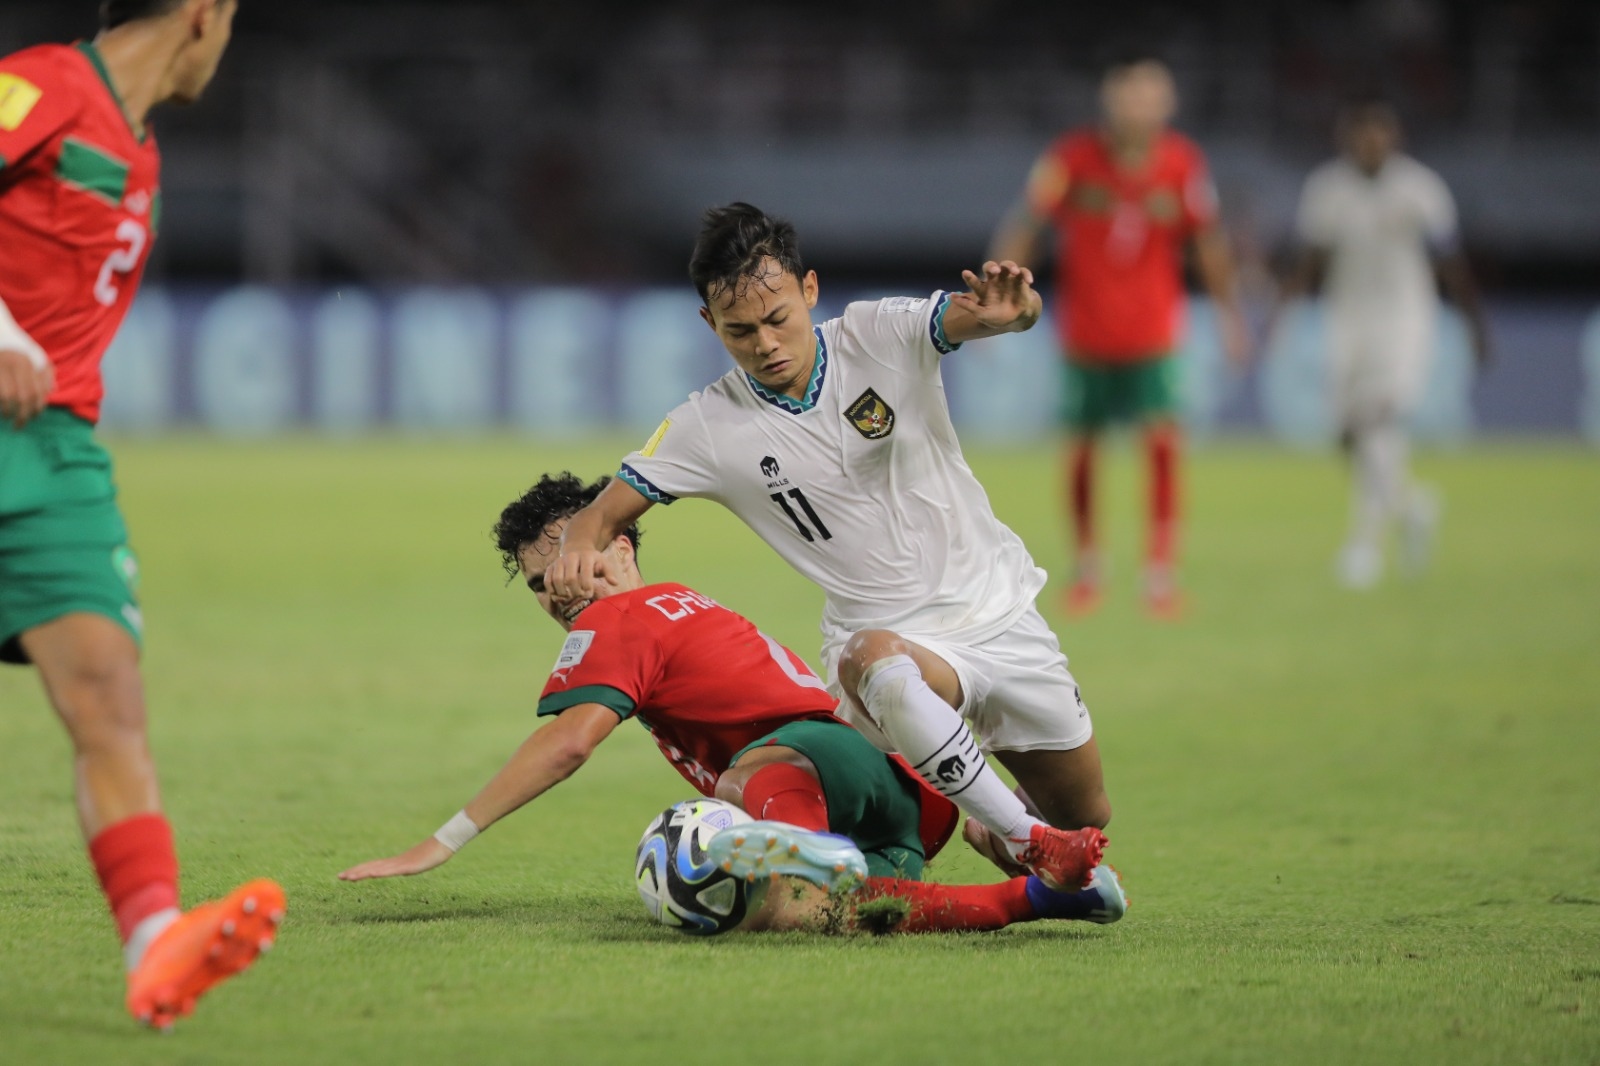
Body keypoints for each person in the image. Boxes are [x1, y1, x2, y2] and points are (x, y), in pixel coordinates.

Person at [544, 203, 1110, 895]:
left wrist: (1011, 312)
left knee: (1088, 813)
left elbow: (984, 318)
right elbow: (604, 510)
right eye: (739, 331)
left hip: (1000, 614)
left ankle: (1004, 829)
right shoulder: (706, 426)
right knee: (874, 659)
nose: (765, 344)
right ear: (708, 325)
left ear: (809, 290)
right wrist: (576, 541)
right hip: (887, 646)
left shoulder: (879, 334)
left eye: (778, 318)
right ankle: (1032, 843)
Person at [339, 474, 1127, 935]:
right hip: (896, 794)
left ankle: (795, 841)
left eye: (566, 564)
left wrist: (441, 842)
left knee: (754, 791)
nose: (558, 593)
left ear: (618, 546)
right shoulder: (685, 603)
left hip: (809, 769)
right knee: (835, 912)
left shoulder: (615, 620)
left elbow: (571, 744)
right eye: (541, 586)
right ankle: (1045, 898)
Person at [0, 0, 282, 1030]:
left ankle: (155, 941)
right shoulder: (40, 88)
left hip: (57, 453)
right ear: (205, 14)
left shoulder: (140, 152)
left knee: (108, 693)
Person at [988, 52, 1250, 618]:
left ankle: (1160, 574)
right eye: (1129, 94)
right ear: (1110, 99)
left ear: (1167, 103)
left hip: (1154, 334)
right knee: (1082, 450)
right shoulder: (1072, 160)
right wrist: (998, 286)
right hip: (1086, 334)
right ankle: (1089, 570)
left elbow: (1208, 242)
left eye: (1150, 95)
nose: (1139, 105)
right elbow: (1027, 222)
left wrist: (1230, 317)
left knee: (1161, 447)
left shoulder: (1182, 165)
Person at [1278, 96, 1489, 589]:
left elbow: (1450, 262)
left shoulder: (1420, 189)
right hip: (1346, 320)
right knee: (1347, 434)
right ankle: (1412, 507)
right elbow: (1311, 259)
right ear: (1347, 138)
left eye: (1380, 132)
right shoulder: (1327, 189)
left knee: (1377, 418)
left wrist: (1477, 325)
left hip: (1404, 320)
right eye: (1362, 133)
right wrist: (1285, 310)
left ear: (1395, 138)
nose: (1371, 142)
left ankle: (1364, 545)